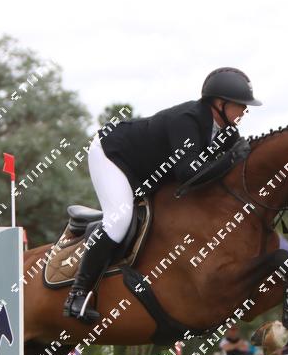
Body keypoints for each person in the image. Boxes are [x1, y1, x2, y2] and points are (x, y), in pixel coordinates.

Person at [64, 68, 262, 322]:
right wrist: (229, 159)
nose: (245, 111)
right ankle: (77, 294)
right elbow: (187, 173)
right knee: (119, 220)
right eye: (240, 105)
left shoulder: (227, 132)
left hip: (149, 172)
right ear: (219, 104)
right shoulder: (187, 120)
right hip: (114, 155)